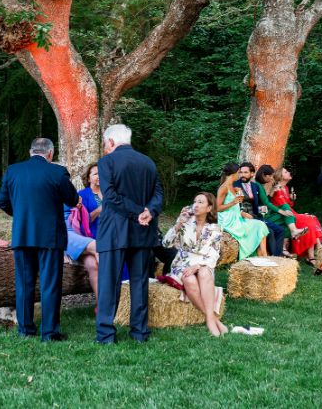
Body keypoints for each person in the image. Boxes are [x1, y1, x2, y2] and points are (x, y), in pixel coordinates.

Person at [0, 137, 79, 342]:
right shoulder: (57, 172)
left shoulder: (13, 171)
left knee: (24, 283)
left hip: (23, 235)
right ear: (50, 154)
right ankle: (49, 333)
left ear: (31, 151)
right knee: (50, 284)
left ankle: (25, 329)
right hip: (50, 238)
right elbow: (72, 199)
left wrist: (21, 215)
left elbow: (2, 201)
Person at [95, 124, 164, 344]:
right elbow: (158, 194)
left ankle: (106, 334)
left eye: (105, 144)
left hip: (115, 231)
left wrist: (137, 213)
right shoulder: (148, 162)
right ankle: (139, 332)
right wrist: (149, 212)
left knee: (109, 283)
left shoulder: (107, 161)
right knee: (140, 281)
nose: (105, 148)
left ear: (112, 142)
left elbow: (111, 197)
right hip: (144, 231)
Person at [162, 192, 226, 337]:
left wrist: (198, 266)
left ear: (209, 208)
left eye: (200, 202)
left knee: (203, 272)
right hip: (182, 263)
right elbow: (166, 243)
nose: (195, 205)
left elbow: (214, 254)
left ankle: (210, 320)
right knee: (188, 278)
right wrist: (179, 224)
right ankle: (213, 319)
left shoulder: (215, 229)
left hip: (203, 263)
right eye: (195, 201)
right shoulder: (185, 222)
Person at [270, 167, 322, 269]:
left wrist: (291, 200)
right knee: (309, 219)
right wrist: (274, 191)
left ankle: (315, 254)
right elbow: (278, 204)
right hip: (282, 216)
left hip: (290, 214)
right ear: (281, 176)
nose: (288, 173)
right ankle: (317, 253)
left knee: (312, 218)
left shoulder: (286, 188)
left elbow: (288, 205)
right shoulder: (277, 188)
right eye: (286, 172)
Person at [216, 163, 269, 259]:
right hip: (229, 221)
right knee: (258, 226)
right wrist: (233, 202)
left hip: (237, 217)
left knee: (261, 225)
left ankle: (263, 255)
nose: (240, 175)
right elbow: (217, 208)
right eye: (239, 172)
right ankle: (261, 256)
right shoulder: (223, 188)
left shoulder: (232, 186)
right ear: (233, 174)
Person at [233, 162, 285, 256]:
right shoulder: (235, 185)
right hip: (243, 217)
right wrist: (242, 213)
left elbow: (262, 204)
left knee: (280, 230)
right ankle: (272, 257)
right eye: (241, 172)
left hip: (256, 216)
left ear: (252, 174)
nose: (242, 175)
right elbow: (233, 204)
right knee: (270, 231)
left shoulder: (255, 186)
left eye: (245, 172)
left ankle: (277, 257)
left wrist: (263, 211)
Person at [63, 202, 100, 307]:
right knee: (99, 248)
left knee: (93, 265)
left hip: (77, 232)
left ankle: (102, 307)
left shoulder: (69, 190)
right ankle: (112, 300)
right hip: (63, 232)